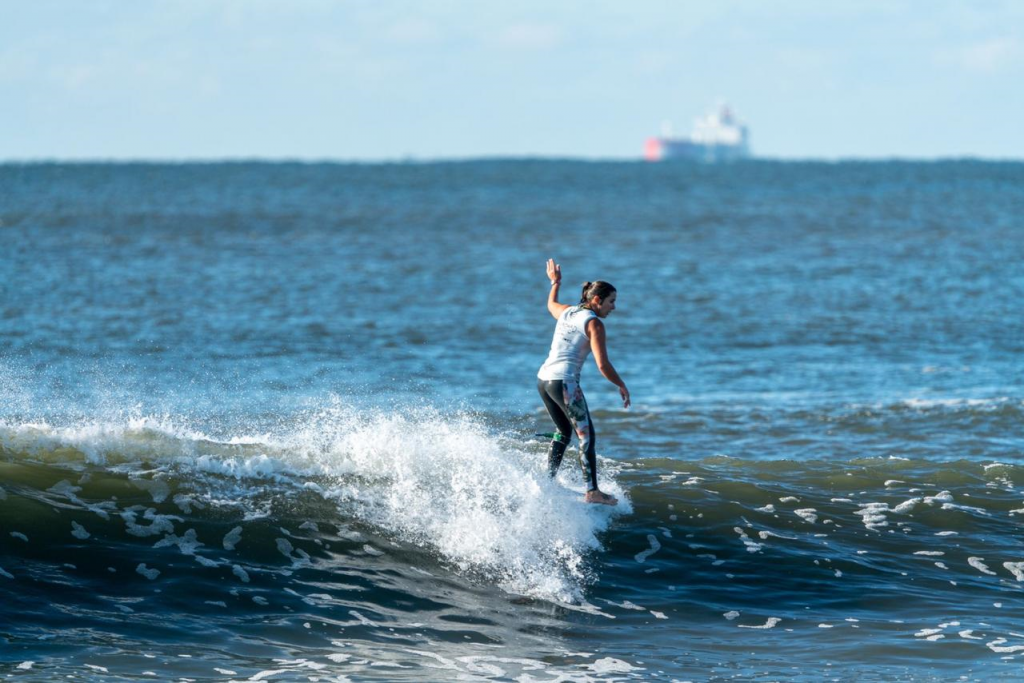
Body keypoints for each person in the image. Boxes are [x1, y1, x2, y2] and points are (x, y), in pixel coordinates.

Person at [537, 258, 630, 505]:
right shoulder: (594, 323)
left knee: (563, 431)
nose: (614, 307)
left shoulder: (568, 311)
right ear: (597, 300)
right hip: (565, 383)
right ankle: (593, 492)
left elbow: (550, 305)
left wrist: (555, 283)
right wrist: (621, 384)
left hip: (544, 379)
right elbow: (603, 365)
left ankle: (547, 481)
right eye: (611, 302)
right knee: (586, 436)